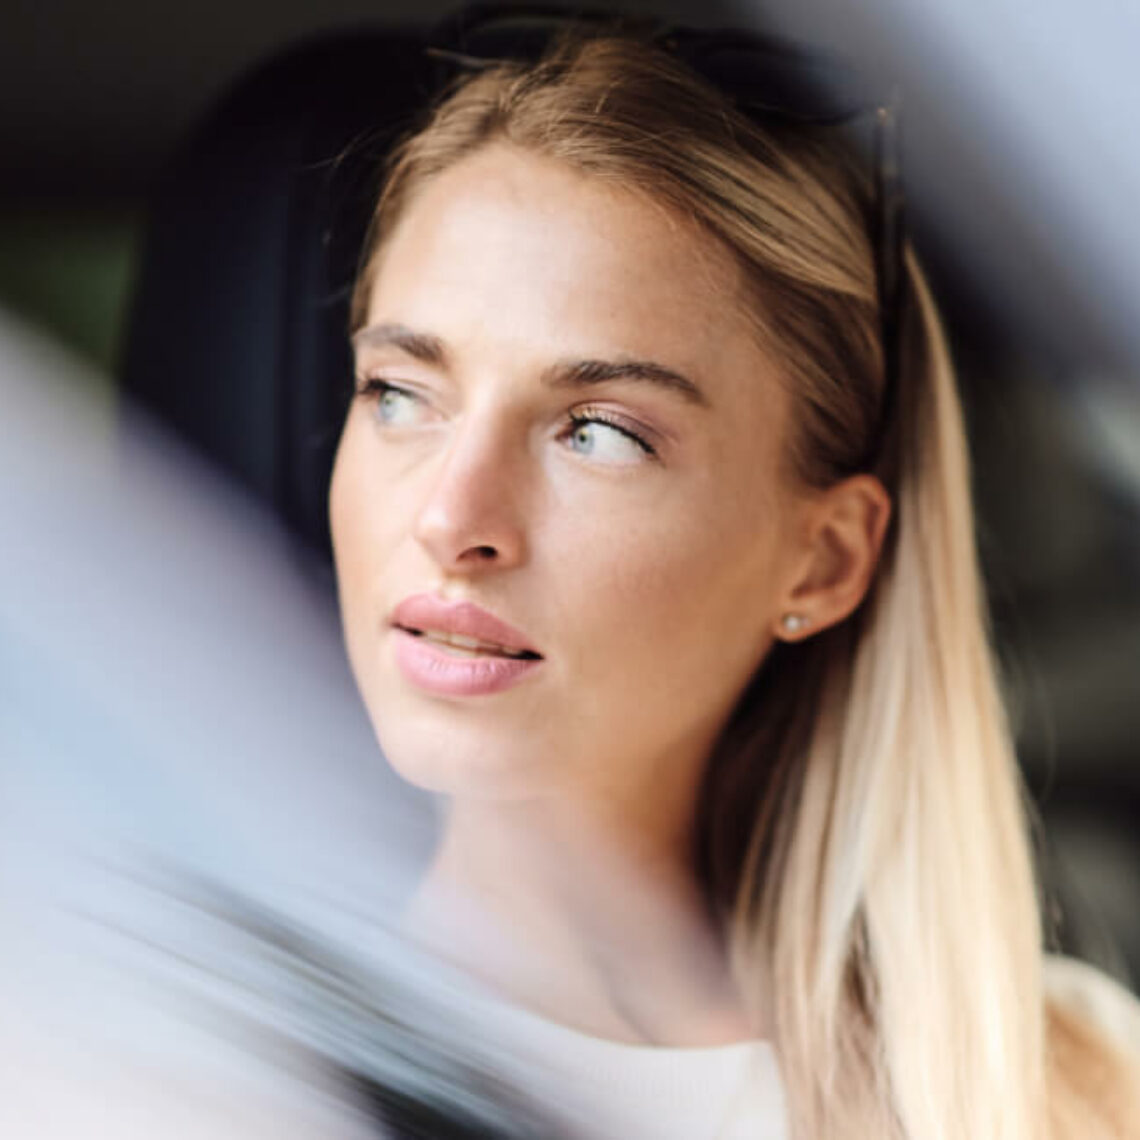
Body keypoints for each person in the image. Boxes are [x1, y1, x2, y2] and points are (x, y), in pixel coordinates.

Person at [326, 17, 1140, 1139]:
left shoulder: (1071, 1076)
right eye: (400, 394)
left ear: (826, 559)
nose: (449, 519)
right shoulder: (183, 1071)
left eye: (599, 433)